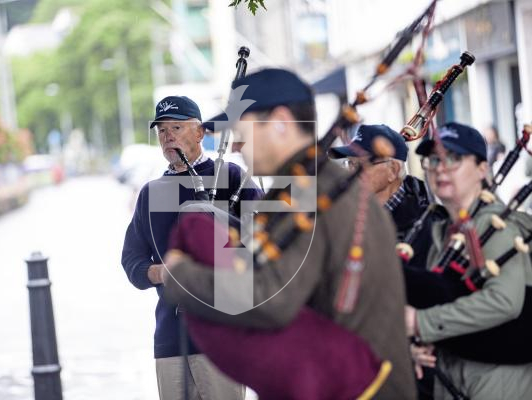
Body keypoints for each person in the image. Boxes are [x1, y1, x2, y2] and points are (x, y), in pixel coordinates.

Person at [161, 69, 417, 399]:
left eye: (241, 131)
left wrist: (181, 275)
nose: (236, 146)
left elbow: (269, 299)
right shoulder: (316, 183)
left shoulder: (304, 191)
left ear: (281, 121)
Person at [120, 95, 261, 400]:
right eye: (161, 131)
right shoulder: (150, 193)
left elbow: (268, 240)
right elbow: (131, 260)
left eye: (176, 128)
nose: (168, 136)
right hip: (171, 336)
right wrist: (158, 273)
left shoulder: (233, 177)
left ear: (199, 133)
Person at [405, 122, 532, 400]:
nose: (441, 168)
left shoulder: (498, 226)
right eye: (434, 159)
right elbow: (448, 303)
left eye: (454, 158)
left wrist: (420, 322)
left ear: (482, 169)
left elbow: (504, 302)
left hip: (496, 382)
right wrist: (420, 343)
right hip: (454, 379)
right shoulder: (441, 230)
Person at [329, 124, 447, 269]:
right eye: (350, 163)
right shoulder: (344, 215)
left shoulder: (429, 226)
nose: (352, 173)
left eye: (361, 165)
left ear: (392, 170)